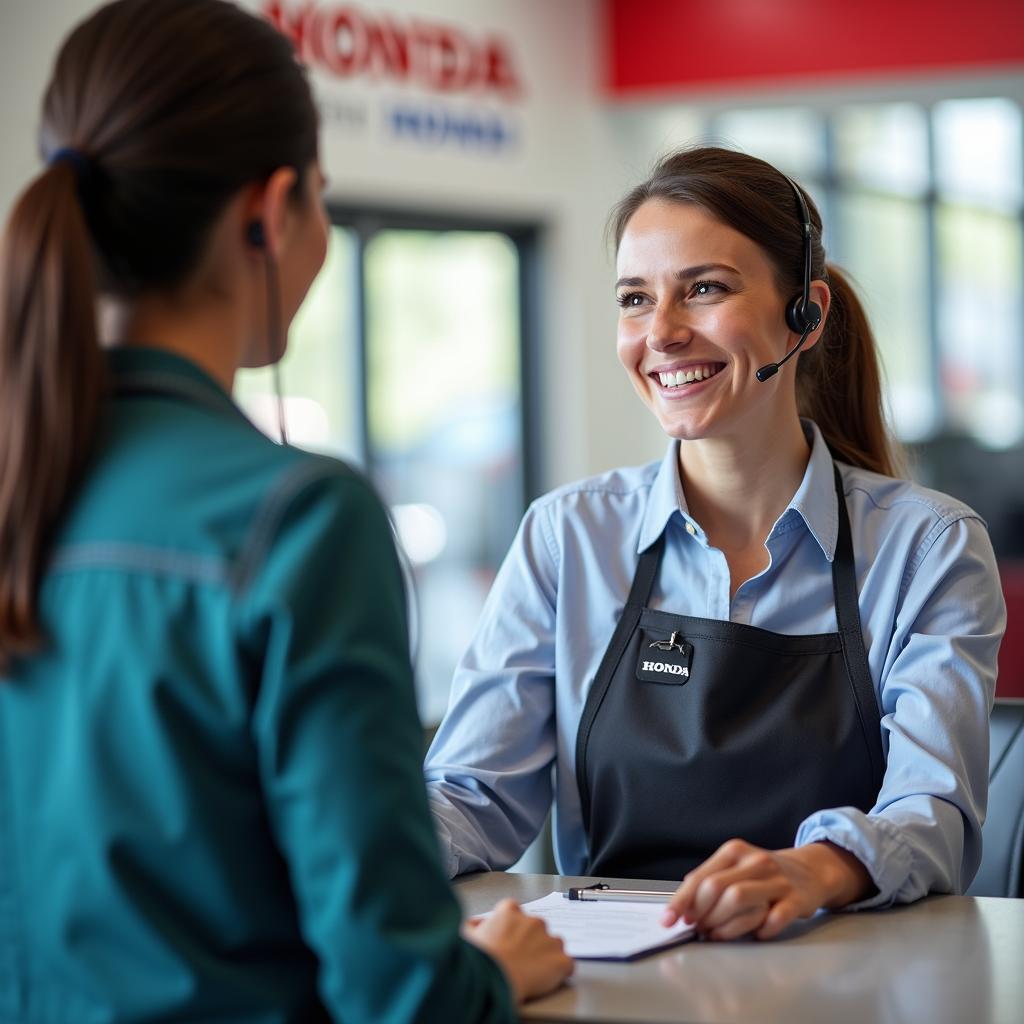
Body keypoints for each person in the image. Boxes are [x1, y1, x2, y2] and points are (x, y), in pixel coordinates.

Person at [0, 1, 572, 1019]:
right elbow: (397, 989)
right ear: (270, 212)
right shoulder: (298, 520)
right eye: (322, 195)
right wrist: (494, 971)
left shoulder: (25, 489)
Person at [425, 146, 1006, 941]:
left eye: (704, 289)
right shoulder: (567, 537)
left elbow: (933, 810)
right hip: (609, 983)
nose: (660, 333)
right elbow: (472, 797)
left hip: (844, 976)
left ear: (808, 314)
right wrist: (341, 845)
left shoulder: (929, 547)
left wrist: (813, 870)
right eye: (635, 299)